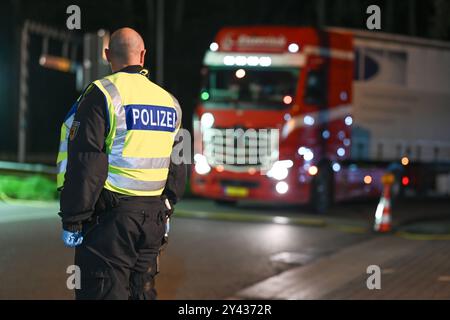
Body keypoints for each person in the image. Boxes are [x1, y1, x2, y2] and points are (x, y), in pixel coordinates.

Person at [56, 27, 186, 300]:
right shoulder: (169, 102)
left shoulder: (102, 93)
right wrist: (168, 207)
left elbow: (87, 161)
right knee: (143, 292)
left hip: (112, 220)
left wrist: (73, 219)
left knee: (104, 292)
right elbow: (178, 163)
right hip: (153, 218)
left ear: (107, 55)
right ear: (143, 55)